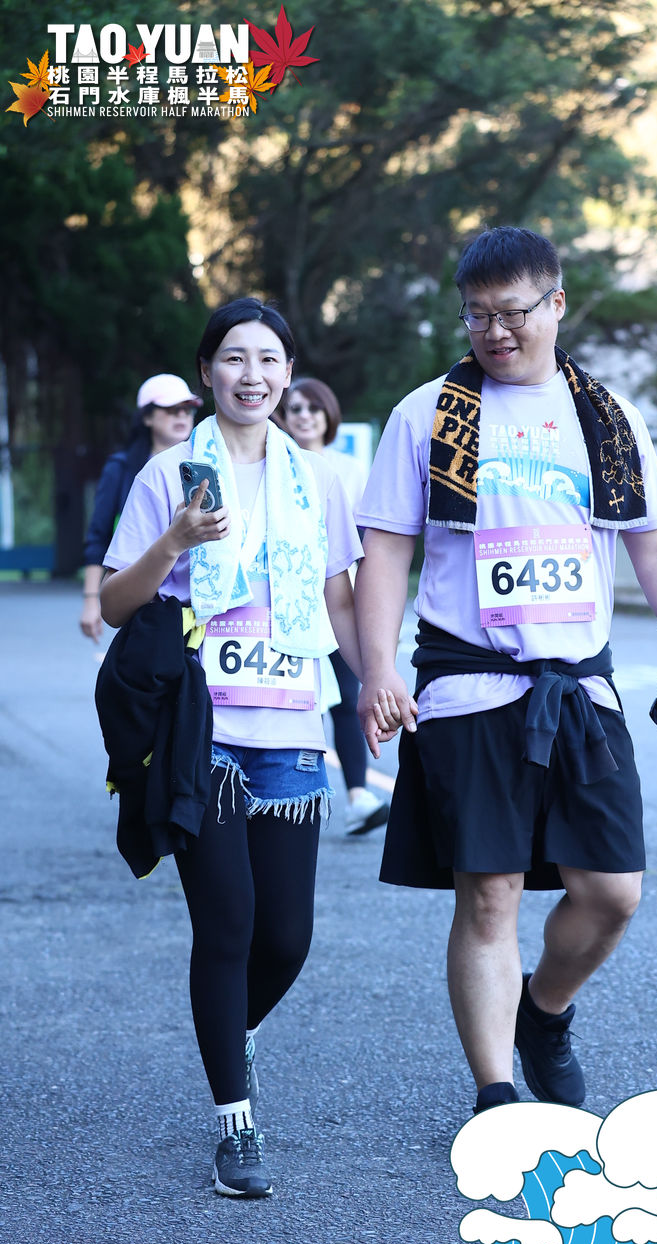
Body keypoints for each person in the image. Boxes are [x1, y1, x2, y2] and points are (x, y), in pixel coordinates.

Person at [354, 226, 657, 1117]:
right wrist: (376, 668)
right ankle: (494, 1097)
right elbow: (386, 550)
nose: (494, 331)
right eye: (476, 315)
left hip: (578, 689)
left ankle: (544, 1010)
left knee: (612, 894)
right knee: (490, 898)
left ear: (555, 304)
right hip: (466, 684)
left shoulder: (606, 416)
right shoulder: (429, 414)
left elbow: (656, 548)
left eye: (512, 312)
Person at [99, 298, 368, 1198]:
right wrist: (175, 539)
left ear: (288, 373)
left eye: (267, 359)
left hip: (291, 726)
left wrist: (376, 682)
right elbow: (118, 602)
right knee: (228, 926)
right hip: (199, 731)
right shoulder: (168, 474)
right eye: (233, 358)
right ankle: (235, 1122)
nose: (251, 375)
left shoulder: (320, 478)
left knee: (286, 937)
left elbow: (337, 597)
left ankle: (231, 1033)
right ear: (207, 372)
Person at [275, 378, 390, 835]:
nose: (304, 416)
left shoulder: (350, 469)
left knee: (344, 694)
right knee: (294, 698)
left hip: (340, 598)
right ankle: (282, 793)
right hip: (288, 601)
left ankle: (358, 796)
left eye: (313, 408)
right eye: (295, 408)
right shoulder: (273, 463)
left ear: (329, 415)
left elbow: (368, 540)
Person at [80, 374, 202, 641]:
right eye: (171, 409)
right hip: (137, 595)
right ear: (147, 417)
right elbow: (98, 536)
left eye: (187, 409)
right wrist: (91, 601)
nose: (181, 416)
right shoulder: (121, 468)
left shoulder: (207, 466)